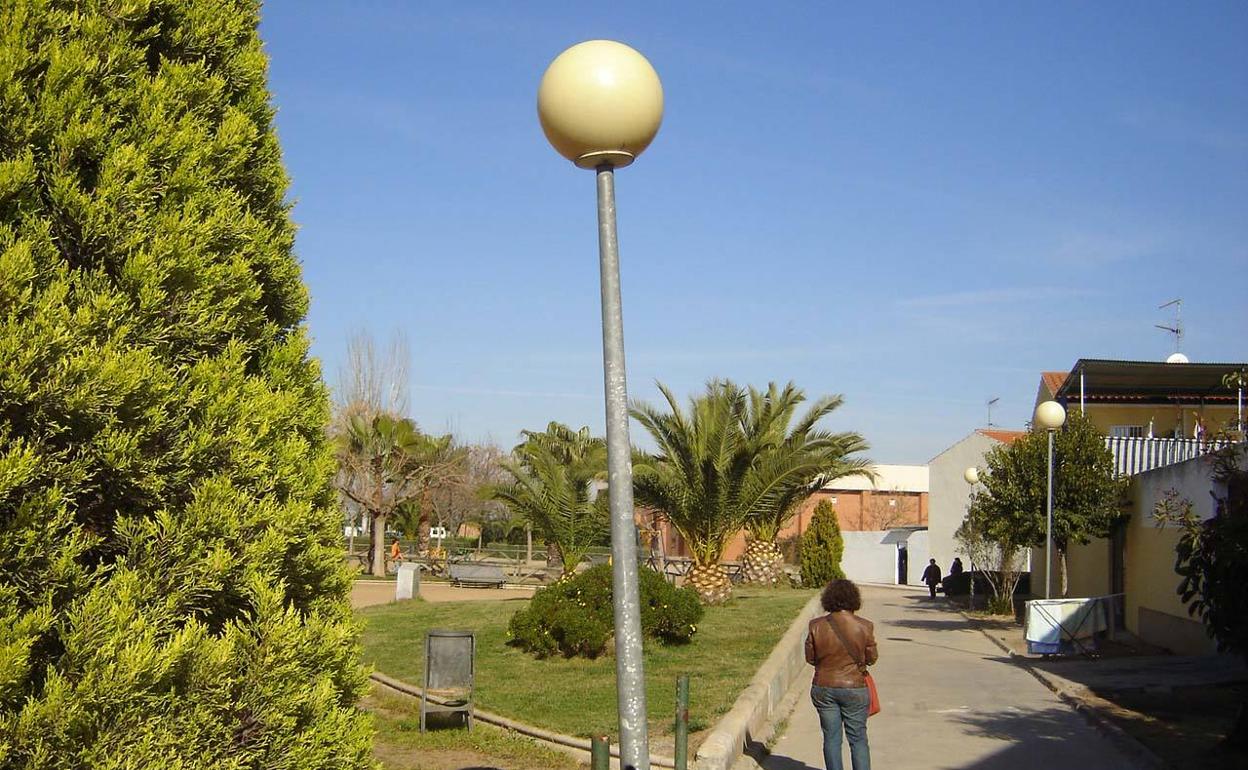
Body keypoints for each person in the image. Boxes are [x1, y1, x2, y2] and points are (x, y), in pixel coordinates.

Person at [805, 578, 878, 770]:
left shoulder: (816, 626)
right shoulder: (865, 626)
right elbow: (872, 658)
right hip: (855, 687)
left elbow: (810, 658)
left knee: (831, 738)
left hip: (824, 686)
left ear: (828, 599)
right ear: (854, 599)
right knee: (858, 738)